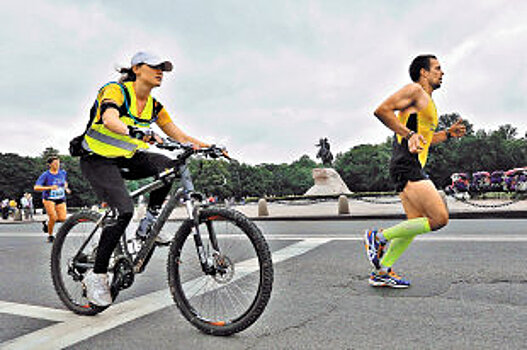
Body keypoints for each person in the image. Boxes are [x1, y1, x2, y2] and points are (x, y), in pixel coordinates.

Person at [78, 51, 212, 307]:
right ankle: (96, 275)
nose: (161, 72)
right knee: (124, 211)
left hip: (125, 157)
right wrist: (136, 131)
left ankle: (147, 225)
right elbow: (109, 119)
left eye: (164, 68)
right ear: (137, 68)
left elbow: (179, 135)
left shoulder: (155, 106)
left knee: (169, 167)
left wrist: (209, 147)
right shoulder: (116, 90)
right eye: (155, 67)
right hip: (96, 158)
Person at [364, 54, 466, 288]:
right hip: (405, 163)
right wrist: (409, 134)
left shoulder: (427, 103)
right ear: (424, 72)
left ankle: (382, 271)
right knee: (439, 218)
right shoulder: (415, 91)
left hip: (409, 164)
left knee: (415, 222)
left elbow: (426, 140)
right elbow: (382, 110)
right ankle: (377, 237)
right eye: (438, 69)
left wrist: (448, 134)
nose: (442, 73)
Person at [34, 156, 71, 242]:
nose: (57, 165)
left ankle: (47, 223)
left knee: (62, 218)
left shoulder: (63, 172)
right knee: (53, 217)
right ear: (50, 165)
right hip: (48, 198)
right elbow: (36, 187)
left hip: (60, 197)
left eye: (58, 163)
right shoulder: (45, 175)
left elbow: (64, 182)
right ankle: (50, 236)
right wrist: (49, 187)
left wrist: (66, 187)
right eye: (55, 163)